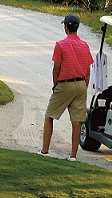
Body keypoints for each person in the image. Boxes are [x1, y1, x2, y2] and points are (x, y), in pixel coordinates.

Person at [40, 13, 93, 161]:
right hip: (81, 84)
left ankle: (44, 150)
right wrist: (84, 85)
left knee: (50, 115)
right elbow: (88, 71)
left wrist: (55, 85)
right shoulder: (84, 45)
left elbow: (56, 68)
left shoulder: (60, 45)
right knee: (76, 120)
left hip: (65, 84)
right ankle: (73, 156)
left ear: (66, 27)